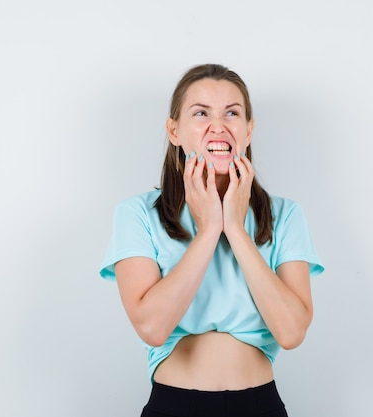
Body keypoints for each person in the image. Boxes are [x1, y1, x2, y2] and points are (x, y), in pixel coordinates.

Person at [100, 64, 324, 417]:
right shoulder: (137, 214)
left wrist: (235, 228)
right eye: (201, 112)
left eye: (232, 113)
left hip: (259, 404)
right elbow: (152, 327)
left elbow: (292, 332)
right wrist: (208, 230)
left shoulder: (286, 215)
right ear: (174, 130)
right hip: (175, 404)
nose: (218, 125)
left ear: (248, 130)